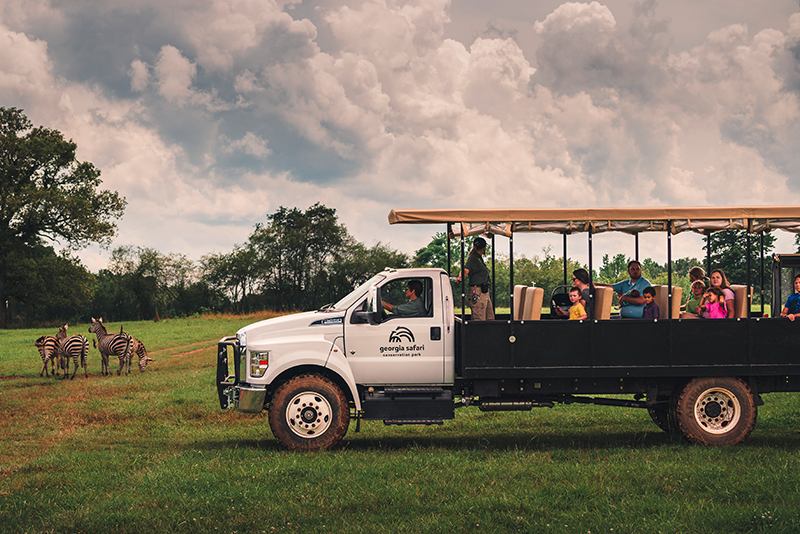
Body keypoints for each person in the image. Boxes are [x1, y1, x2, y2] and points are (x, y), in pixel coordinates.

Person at [456, 237, 495, 321]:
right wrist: (460, 277)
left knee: (490, 318)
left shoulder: (479, 258)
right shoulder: (473, 258)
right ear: (484, 247)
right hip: (477, 291)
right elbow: (465, 270)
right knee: (479, 319)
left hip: (484, 292)